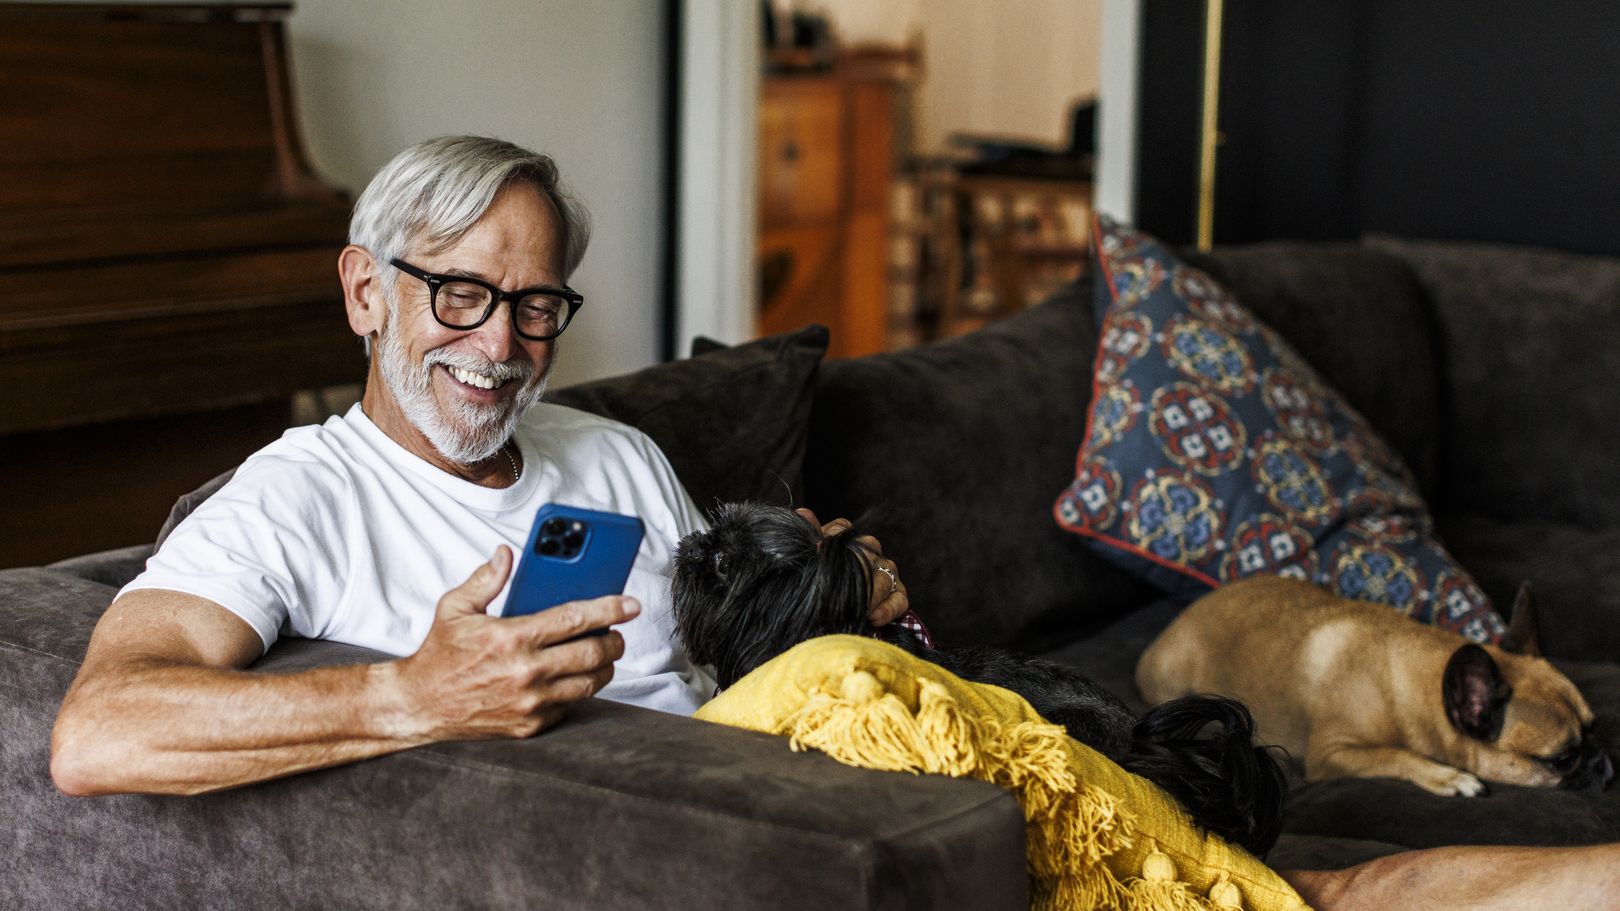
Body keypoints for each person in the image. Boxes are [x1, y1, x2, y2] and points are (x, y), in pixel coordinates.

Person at [50, 135, 712, 797]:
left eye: (535, 305)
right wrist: (416, 694)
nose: (500, 342)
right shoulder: (295, 496)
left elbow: (733, 650)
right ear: (365, 292)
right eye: (460, 292)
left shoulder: (622, 454)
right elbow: (98, 732)